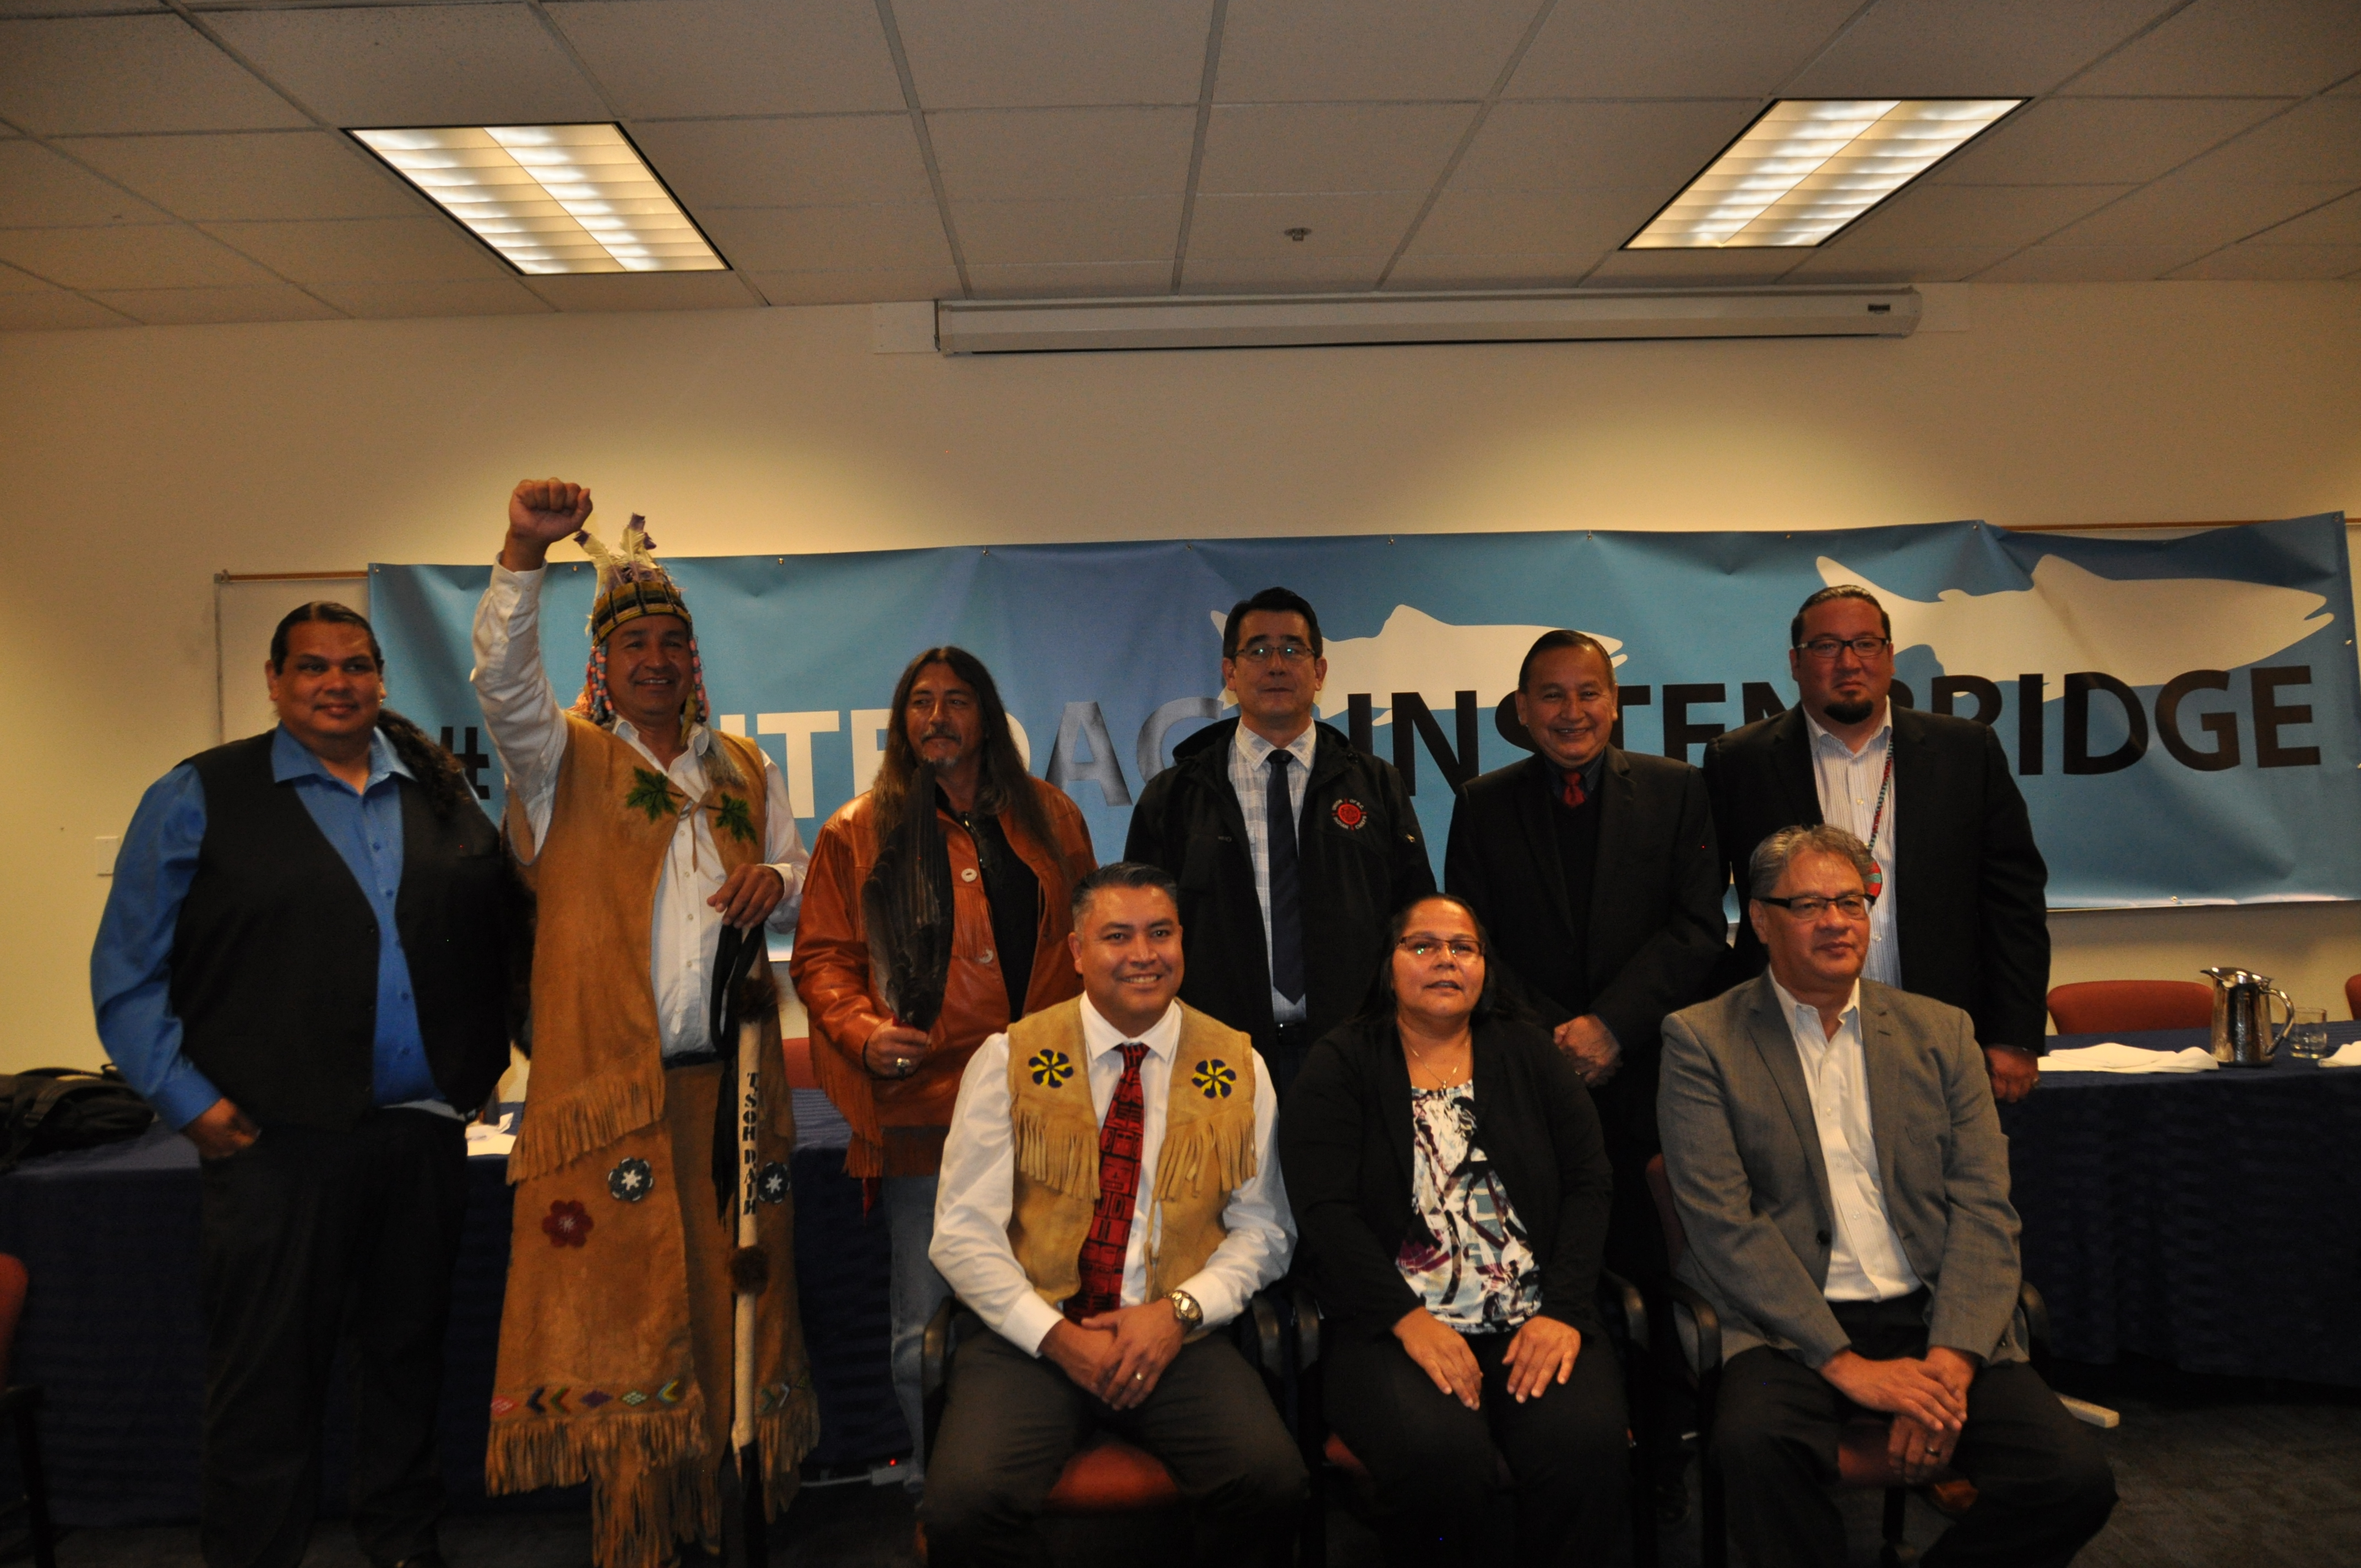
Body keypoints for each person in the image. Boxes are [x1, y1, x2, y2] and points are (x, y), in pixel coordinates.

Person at [92, 601, 519, 1568]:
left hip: (419, 1136)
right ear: (275, 681)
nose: (338, 683)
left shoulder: (437, 791)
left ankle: (403, 1547)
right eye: (314, 667)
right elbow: (127, 971)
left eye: (356, 665)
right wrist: (189, 1102)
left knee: (408, 1365)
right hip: (273, 1145)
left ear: (381, 679)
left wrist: (478, 1059)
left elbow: (490, 934)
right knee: (267, 1384)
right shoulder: (200, 794)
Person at [473, 479, 816, 1568]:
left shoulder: (741, 766)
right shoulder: (559, 759)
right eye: (635, 644)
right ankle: (638, 1528)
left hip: (732, 1092)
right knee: (628, 1314)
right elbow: (502, 682)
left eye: (673, 642)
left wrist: (774, 876)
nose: (656, 659)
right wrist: (522, 551)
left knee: (730, 1302)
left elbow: (797, 869)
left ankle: (726, 1509)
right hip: (609, 1102)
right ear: (605, 663)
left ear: (693, 659)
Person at [1658, 825, 2114, 1568]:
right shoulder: (1701, 1040)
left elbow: (1984, 1208)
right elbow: (1725, 1226)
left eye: (1851, 902)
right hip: (1784, 1322)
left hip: (1934, 1312)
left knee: (2073, 1481)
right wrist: (1849, 1366)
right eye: (1809, 905)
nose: (1837, 922)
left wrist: (1949, 1369)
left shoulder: (1941, 1031)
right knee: (1753, 1449)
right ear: (1762, 921)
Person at [921, 863, 1304, 1566]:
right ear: (1076, 951)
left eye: (1160, 933)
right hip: (1033, 1333)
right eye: (1117, 936)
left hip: (1176, 1336)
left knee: (1271, 1482)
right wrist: (1058, 1338)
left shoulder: (1238, 1064)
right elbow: (963, 1235)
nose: (1143, 955)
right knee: (963, 1505)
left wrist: (1178, 1313)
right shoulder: (1009, 1058)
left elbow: (1265, 1229)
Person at [790, 645, 1095, 1486]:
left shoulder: (1053, 817)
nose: (937, 717)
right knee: (921, 1330)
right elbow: (822, 958)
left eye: (956, 700)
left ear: (987, 718)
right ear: (901, 725)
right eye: (920, 702)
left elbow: (1090, 943)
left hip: (1050, 1108)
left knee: (1058, 1310)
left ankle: (1048, 1488)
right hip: (925, 1114)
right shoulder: (856, 831)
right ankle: (940, 1494)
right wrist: (862, 1033)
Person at [1281, 892, 1626, 1565]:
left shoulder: (1529, 1050)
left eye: (1462, 947)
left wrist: (1563, 1311)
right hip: (1395, 1326)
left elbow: (1591, 1183)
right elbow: (1325, 1212)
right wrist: (1405, 1320)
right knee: (1439, 1456)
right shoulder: (1342, 1061)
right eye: (1423, 945)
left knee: (1583, 1447)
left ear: (1484, 967)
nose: (1445, 959)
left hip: (1535, 1316)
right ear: (1388, 967)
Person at [1702, 585, 2050, 1103]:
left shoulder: (1965, 751)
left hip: (1944, 1037)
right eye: (1827, 646)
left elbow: (2014, 904)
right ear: (1796, 663)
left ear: (1889, 656)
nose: (1849, 662)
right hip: (1789, 1043)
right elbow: (1701, 908)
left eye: (1865, 644)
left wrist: (2014, 1034)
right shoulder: (1738, 762)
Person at [1445, 629, 1724, 1266]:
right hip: (1531, 1080)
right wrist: (1557, 1038)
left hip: (1651, 1077)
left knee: (1655, 1266)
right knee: (1549, 1263)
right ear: (1522, 709)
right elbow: (1471, 945)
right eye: (1551, 695)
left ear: (1614, 701)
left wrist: (1611, 1026)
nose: (1572, 712)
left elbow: (1698, 928)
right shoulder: (1482, 804)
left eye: (1588, 693)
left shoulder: (1676, 789)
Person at [1125, 586, 1434, 1098]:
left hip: (1356, 1054)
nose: (1276, 665)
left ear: (1320, 671)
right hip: (1214, 1058)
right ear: (1230, 673)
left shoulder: (1376, 786)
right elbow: (1142, 934)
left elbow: (1415, 920)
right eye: (1258, 651)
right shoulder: (1175, 795)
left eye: (1293, 650)